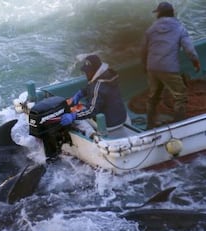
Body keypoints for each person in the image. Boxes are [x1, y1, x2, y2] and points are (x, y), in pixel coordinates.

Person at [142, 1, 201, 129]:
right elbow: (189, 49)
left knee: (153, 96)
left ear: (159, 14)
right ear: (172, 13)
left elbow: (144, 50)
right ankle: (180, 125)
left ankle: (150, 123)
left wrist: (145, 66)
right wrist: (196, 62)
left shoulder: (151, 29)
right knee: (180, 96)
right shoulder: (179, 28)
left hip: (152, 67)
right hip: (169, 68)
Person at [60, 54, 128, 135]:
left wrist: (73, 116)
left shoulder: (98, 86)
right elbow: (94, 87)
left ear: (95, 70)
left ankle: (92, 135)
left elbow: (91, 111)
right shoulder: (109, 75)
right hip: (122, 117)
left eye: (88, 71)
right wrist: (81, 93)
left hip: (109, 124)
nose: (86, 74)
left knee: (78, 116)